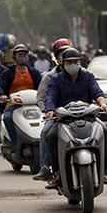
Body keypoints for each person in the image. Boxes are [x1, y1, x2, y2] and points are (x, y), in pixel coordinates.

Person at [43, 47, 107, 189]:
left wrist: (102, 104)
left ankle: (104, 167)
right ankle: (57, 173)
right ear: (62, 64)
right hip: (63, 118)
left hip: (87, 116)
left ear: (80, 62)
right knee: (50, 135)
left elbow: (97, 92)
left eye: (75, 61)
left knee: (105, 132)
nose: (73, 65)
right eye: (69, 62)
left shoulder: (88, 76)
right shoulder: (56, 79)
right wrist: (49, 110)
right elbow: (50, 96)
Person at [32, 38, 73, 181]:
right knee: (46, 132)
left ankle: (105, 164)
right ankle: (45, 166)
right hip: (58, 117)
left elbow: (95, 93)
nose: (67, 57)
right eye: (62, 54)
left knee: (102, 129)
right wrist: (49, 111)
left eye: (69, 53)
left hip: (82, 116)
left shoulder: (85, 74)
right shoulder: (51, 77)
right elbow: (43, 98)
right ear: (56, 57)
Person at [0, 44, 42, 149]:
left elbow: (42, 86)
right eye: (20, 54)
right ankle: (15, 144)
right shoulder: (8, 72)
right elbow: (0, 86)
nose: (23, 57)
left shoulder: (34, 72)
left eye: (25, 55)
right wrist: (1, 95)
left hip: (33, 104)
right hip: (14, 104)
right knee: (7, 118)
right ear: (14, 57)